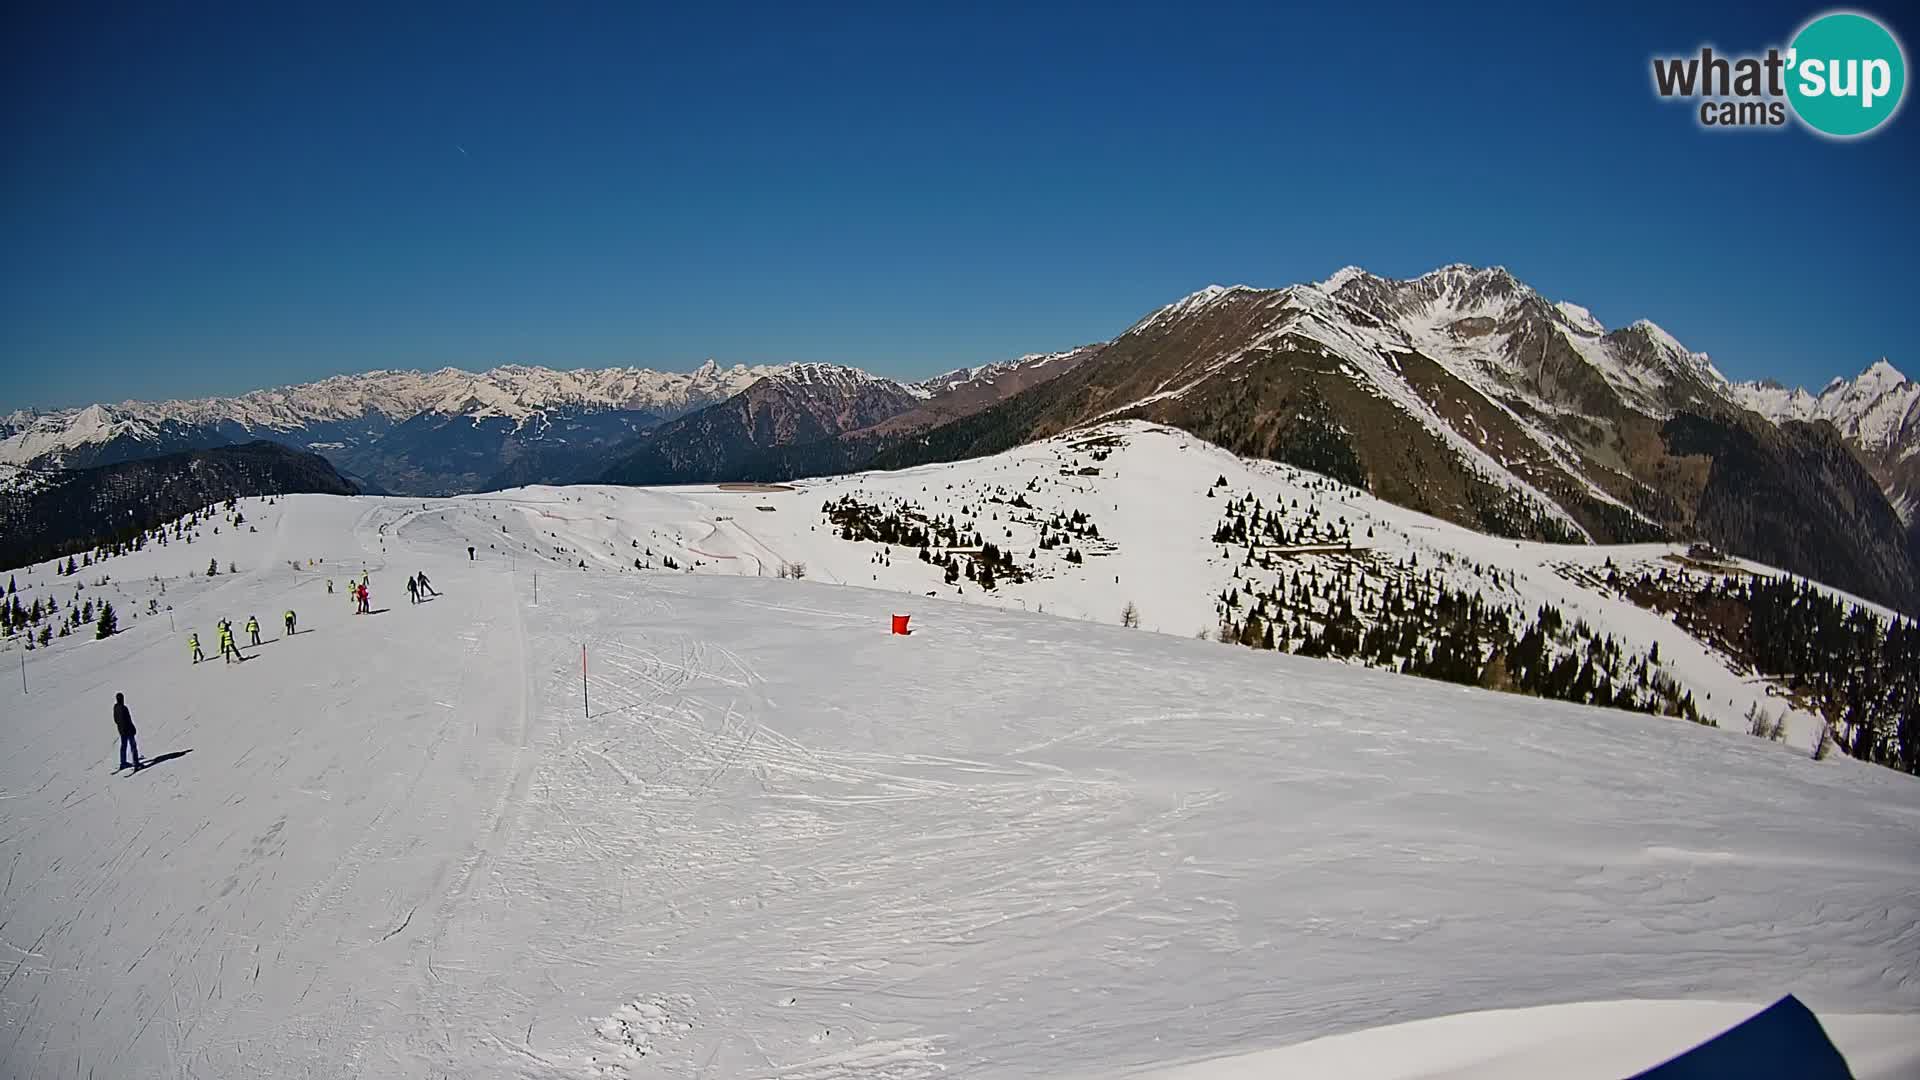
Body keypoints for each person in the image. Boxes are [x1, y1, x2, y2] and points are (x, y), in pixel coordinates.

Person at [113, 692, 142, 771]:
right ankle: (136, 764)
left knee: (123, 746)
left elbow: (116, 720)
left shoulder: (115, 707)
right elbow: (128, 720)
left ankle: (123, 763)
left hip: (122, 731)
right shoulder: (124, 708)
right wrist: (133, 729)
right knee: (133, 746)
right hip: (128, 731)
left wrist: (120, 727)